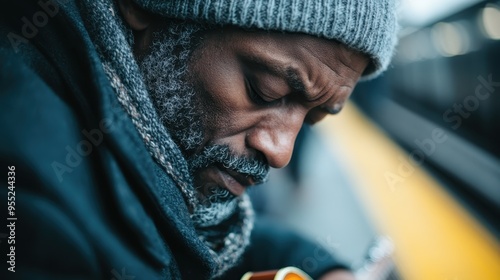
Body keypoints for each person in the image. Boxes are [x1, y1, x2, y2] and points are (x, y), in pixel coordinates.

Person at [0, 0, 397, 279]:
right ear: (143, 7)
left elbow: (174, 232)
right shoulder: (27, 202)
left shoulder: (152, 153)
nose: (281, 152)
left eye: (312, 119)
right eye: (265, 92)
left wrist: (318, 268)